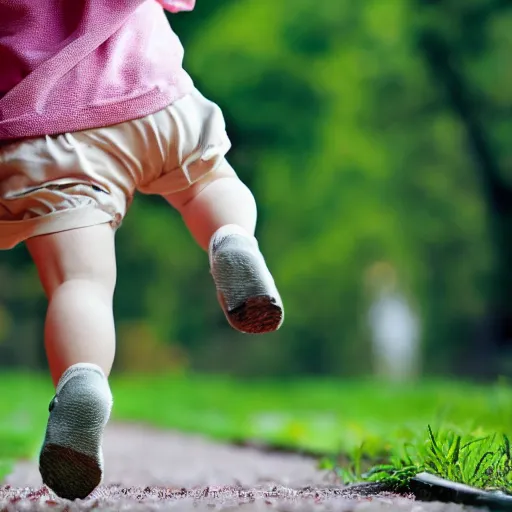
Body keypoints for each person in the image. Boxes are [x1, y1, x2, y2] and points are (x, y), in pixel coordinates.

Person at [0, 0, 284, 500]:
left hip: (50, 129)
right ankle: (232, 237)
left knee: (80, 283)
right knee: (208, 183)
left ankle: (81, 382)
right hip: (152, 94)